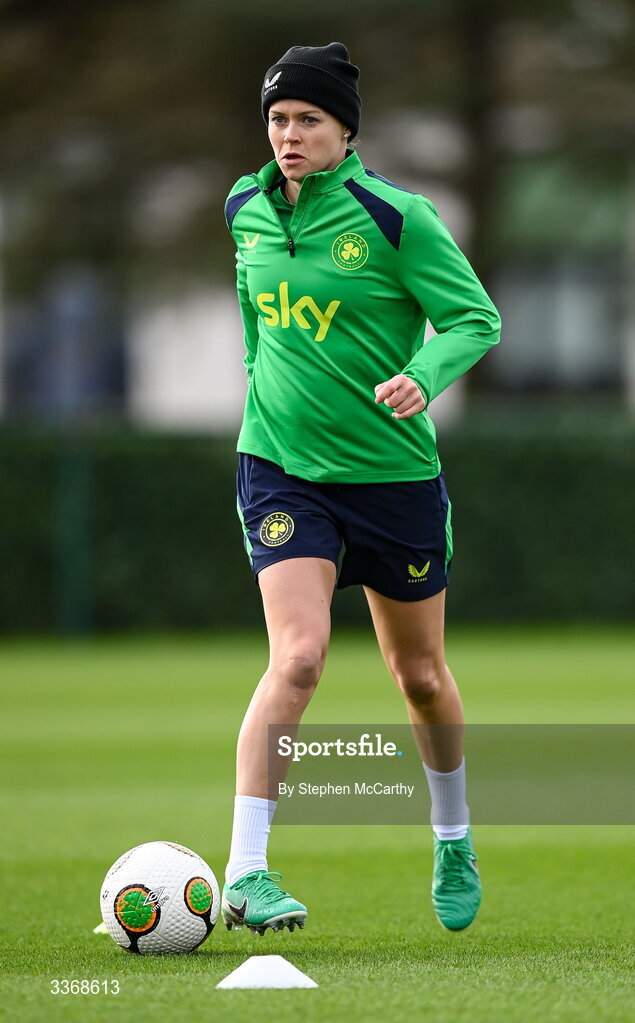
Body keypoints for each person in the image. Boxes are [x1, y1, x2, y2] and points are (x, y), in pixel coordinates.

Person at [221, 41, 501, 937]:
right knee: (297, 656)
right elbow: (253, 318)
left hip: (392, 478)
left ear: (346, 131)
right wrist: (262, 387)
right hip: (281, 467)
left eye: (307, 120)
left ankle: (451, 835)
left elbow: (474, 318)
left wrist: (423, 374)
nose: (289, 135)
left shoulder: (395, 217)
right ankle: (247, 870)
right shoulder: (243, 206)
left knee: (417, 676)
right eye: (277, 119)